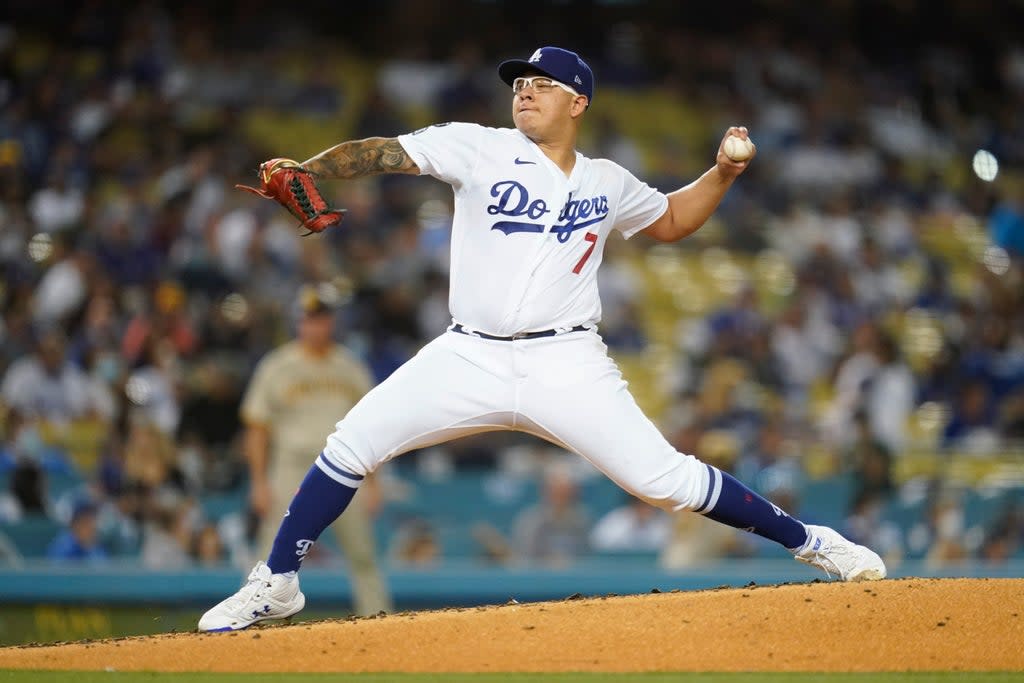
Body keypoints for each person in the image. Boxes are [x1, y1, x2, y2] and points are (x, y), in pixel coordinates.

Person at [199, 46, 885, 632]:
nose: (524, 91)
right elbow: (384, 153)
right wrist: (314, 167)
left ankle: (814, 542)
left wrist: (725, 174)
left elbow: (673, 220)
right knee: (351, 441)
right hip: (469, 352)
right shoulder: (479, 145)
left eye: (541, 83)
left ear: (578, 101)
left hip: (566, 357)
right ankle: (277, 581)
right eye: (519, 84)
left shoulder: (606, 181)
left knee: (664, 479)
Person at [233, 284, 392, 617]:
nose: (315, 327)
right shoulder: (276, 366)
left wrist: (375, 483)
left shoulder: (349, 366)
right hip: (290, 465)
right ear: (299, 324)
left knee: (362, 554)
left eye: (321, 319)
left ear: (331, 323)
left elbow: (373, 423)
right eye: (309, 319)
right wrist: (259, 481)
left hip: (346, 466)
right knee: (271, 554)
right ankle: (257, 624)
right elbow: (257, 429)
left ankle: (377, 622)